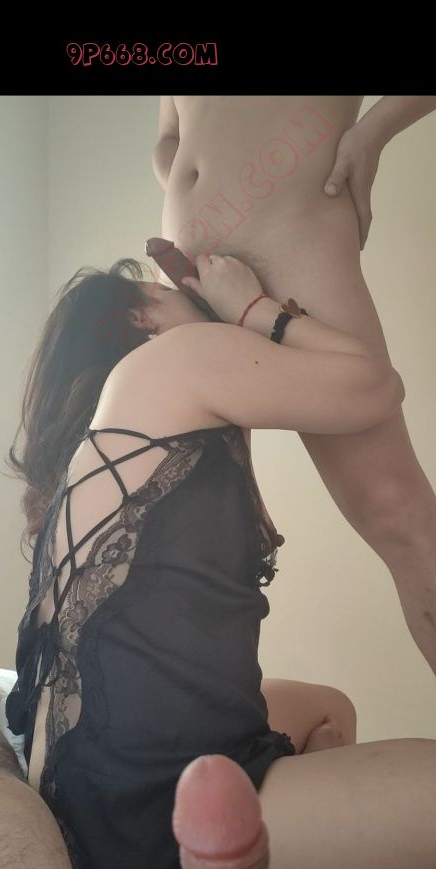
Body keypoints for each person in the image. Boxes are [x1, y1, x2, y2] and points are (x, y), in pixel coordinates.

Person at [0, 253, 435, 869]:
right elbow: (374, 387)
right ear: (141, 316)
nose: (184, 287)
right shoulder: (169, 359)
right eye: (165, 288)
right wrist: (252, 307)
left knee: (327, 707)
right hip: (144, 814)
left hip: (84, 788)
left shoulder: (112, 437)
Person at [152, 95, 436, 675]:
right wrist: (190, 187)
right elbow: (169, 135)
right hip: (190, 273)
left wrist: (372, 133)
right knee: (200, 535)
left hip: (291, 236)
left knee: (397, 515)